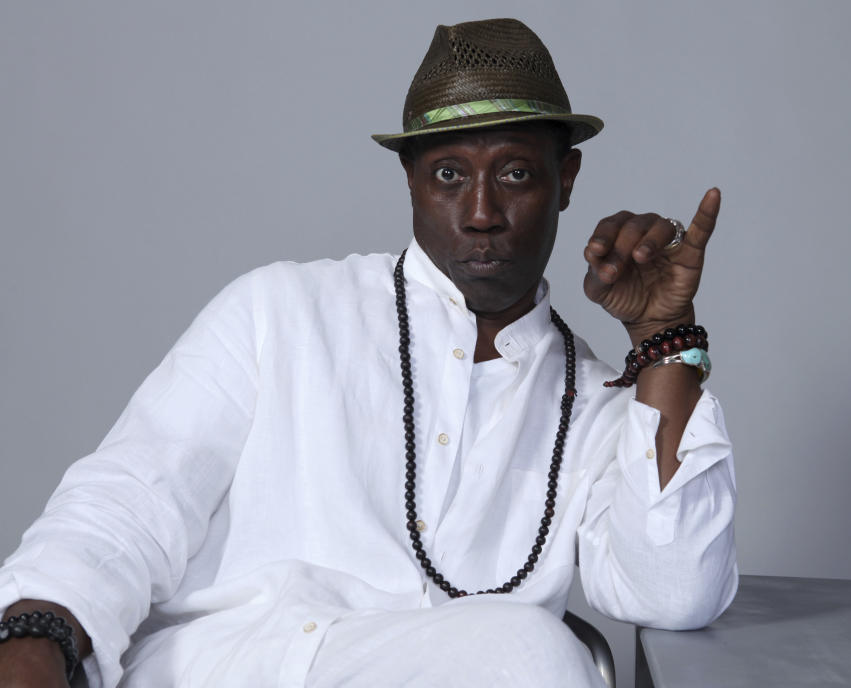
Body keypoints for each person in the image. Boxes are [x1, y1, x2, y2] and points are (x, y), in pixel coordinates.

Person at [0, 18, 736, 688]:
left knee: (532, 651)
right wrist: (38, 634)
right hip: (222, 666)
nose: (481, 212)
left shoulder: (599, 401)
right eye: (450, 174)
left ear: (564, 179)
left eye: (514, 173)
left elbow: (672, 593)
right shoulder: (280, 310)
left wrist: (663, 340)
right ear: (411, 179)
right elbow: (129, 503)